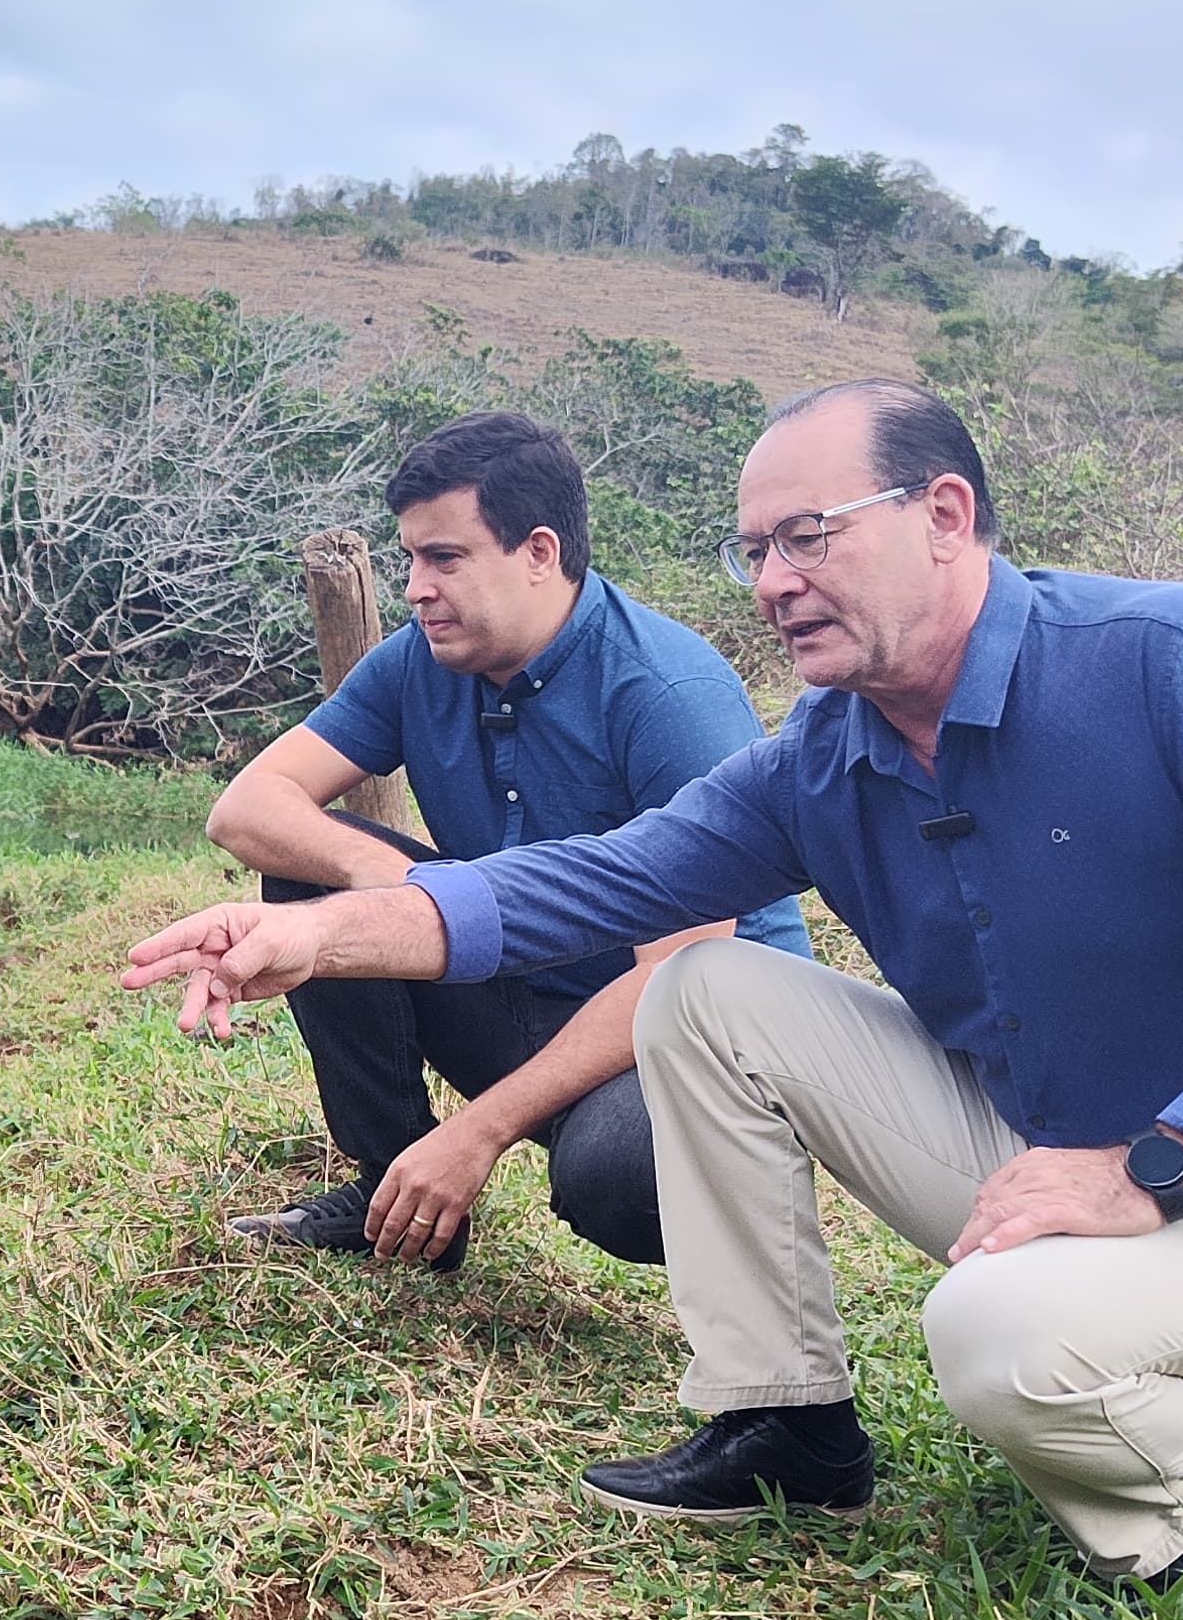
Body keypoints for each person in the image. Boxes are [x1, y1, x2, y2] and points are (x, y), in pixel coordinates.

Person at [121, 381, 1183, 1590]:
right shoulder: (828, 752)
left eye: (808, 536)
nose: (771, 580)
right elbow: (596, 883)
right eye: (754, 547)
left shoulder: (1180, 662)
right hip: (1041, 1152)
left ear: (945, 514)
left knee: (995, 1332)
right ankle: (785, 1426)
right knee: (709, 989)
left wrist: (1165, 1160)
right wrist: (318, 936)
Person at [202, 411, 809, 1275]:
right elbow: (246, 809)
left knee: (621, 1178)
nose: (415, 587)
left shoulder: (666, 690)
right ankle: (396, 1199)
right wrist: (393, 883)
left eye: (444, 559)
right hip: (517, 985)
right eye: (410, 558)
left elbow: (684, 976)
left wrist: (476, 1134)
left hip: (684, 1036)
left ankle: (727, 1231)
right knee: (308, 875)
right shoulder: (420, 660)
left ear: (538, 552)